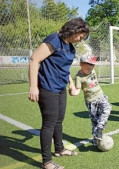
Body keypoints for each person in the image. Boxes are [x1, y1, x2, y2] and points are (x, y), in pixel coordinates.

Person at [28, 18, 89, 169]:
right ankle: (46, 161)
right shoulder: (54, 40)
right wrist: (33, 87)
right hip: (47, 87)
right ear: (74, 29)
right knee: (49, 124)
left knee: (58, 120)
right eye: (80, 36)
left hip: (60, 88)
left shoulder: (70, 47)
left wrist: (71, 83)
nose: (80, 40)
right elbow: (34, 59)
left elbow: (63, 68)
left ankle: (60, 149)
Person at [70, 54, 111, 146]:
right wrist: (73, 92)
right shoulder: (79, 77)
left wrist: (91, 66)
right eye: (88, 67)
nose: (91, 68)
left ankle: (100, 128)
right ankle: (96, 140)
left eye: (93, 65)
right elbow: (77, 90)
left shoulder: (93, 70)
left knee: (107, 108)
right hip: (91, 101)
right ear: (81, 64)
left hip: (101, 95)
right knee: (94, 120)